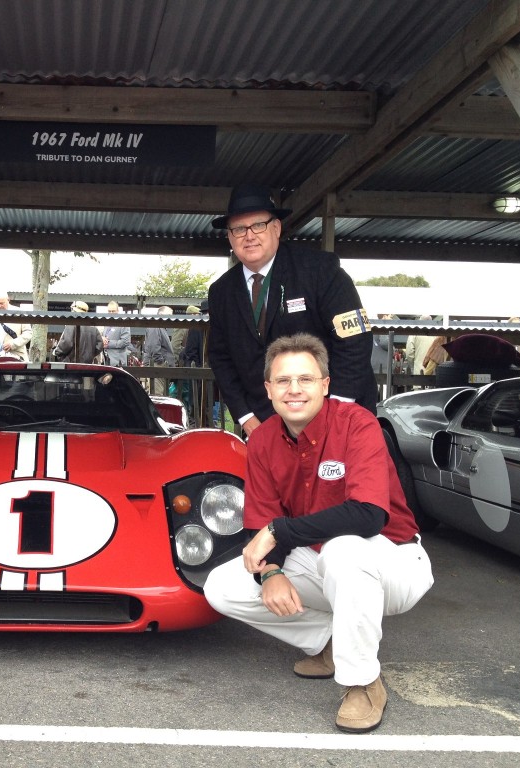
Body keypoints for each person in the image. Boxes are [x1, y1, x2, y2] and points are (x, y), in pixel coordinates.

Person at [204, 333, 433, 733]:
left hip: (393, 559)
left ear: (325, 385)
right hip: (321, 559)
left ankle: (362, 683)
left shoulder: (357, 423)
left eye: (306, 380)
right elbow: (261, 524)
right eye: (283, 381)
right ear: (269, 389)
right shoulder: (261, 441)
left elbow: (367, 517)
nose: (294, 390)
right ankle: (329, 644)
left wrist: (280, 531)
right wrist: (271, 573)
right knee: (223, 586)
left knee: (344, 550)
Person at [207, 184, 377, 438]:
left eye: (258, 225)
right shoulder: (220, 291)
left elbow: (355, 341)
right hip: (266, 425)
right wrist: (246, 417)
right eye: (239, 229)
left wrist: (336, 412)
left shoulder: (321, 271)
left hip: (336, 419)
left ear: (276, 228)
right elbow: (220, 358)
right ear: (230, 237)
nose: (249, 235)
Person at [0, 290, 32, 361]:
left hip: (16, 359)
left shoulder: (20, 313)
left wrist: (13, 344)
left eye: (2, 303)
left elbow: (28, 333)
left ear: (8, 300)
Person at [143, 306, 174, 396]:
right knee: (157, 397)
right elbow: (154, 347)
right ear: (161, 315)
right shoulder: (155, 326)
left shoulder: (160, 327)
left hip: (158, 367)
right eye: (169, 315)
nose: (170, 319)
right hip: (157, 367)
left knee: (160, 396)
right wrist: (162, 362)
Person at [101, 300, 132, 367]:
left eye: (113, 311)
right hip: (106, 361)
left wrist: (108, 344)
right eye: (109, 311)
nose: (111, 313)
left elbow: (125, 342)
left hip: (118, 363)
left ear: (118, 311)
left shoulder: (124, 323)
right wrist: (102, 339)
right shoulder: (106, 324)